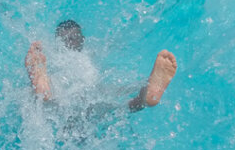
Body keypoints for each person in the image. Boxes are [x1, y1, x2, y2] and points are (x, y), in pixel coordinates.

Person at [24, 20, 177, 113]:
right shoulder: (93, 55)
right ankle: (145, 97)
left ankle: (43, 88)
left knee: (47, 101)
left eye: (73, 38)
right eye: (65, 39)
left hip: (69, 94)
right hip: (95, 94)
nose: (69, 42)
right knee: (123, 107)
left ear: (83, 39)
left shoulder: (55, 59)